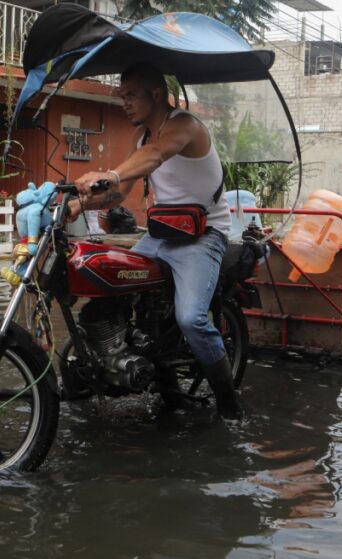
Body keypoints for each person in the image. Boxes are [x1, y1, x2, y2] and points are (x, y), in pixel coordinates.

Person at [69, 62, 241, 418]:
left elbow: (157, 155)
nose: (125, 103)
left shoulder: (185, 125)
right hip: (161, 234)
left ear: (157, 94)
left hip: (204, 235)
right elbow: (118, 195)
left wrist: (110, 173)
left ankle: (229, 405)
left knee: (191, 319)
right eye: (122, 96)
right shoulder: (141, 138)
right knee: (111, 283)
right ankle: (140, 366)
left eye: (132, 95)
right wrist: (76, 205)